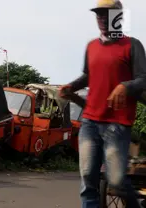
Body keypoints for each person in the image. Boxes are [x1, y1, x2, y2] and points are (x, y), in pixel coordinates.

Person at [59, 0, 146, 207]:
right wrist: (71, 86)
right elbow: (87, 77)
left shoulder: (132, 45)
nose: (101, 18)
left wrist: (125, 85)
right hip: (90, 121)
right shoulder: (91, 47)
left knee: (116, 181)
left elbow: (143, 78)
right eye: (99, 14)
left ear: (119, 17)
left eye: (107, 14)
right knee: (89, 179)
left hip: (117, 123)